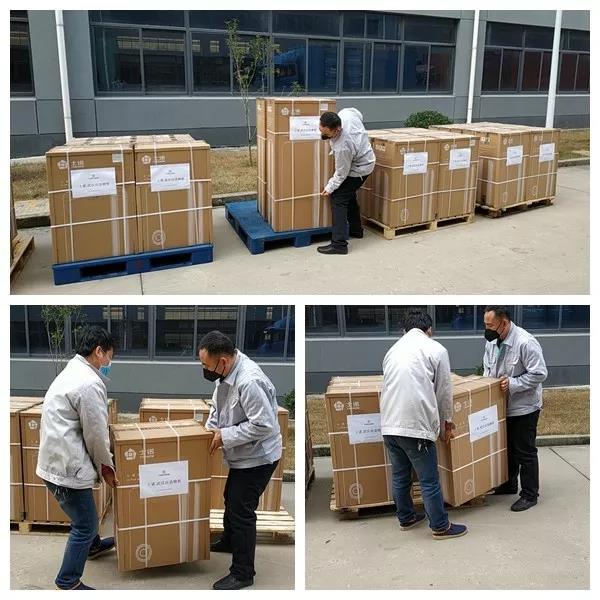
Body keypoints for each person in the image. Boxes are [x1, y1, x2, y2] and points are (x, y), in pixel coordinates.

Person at [37, 326, 119, 590]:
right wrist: (107, 467)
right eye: (109, 357)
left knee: (85, 512)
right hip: (66, 466)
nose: (110, 364)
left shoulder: (72, 371)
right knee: (85, 524)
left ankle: (92, 547)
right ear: (99, 352)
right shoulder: (89, 383)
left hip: (57, 458)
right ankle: (68, 581)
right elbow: (96, 434)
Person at [199, 330, 282, 590]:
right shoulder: (225, 374)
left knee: (241, 510)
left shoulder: (249, 381)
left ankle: (243, 573)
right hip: (244, 454)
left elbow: (264, 425)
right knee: (230, 497)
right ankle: (229, 540)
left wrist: (224, 436)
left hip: (259, 457)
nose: (204, 370)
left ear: (223, 361)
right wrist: (209, 430)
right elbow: (218, 407)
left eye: (206, 365)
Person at [380, 310, 467, 540]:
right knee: (429, 480)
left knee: (400, 475)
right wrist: (446, 424)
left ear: (404, 330)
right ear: (429, 330)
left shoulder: (392, 351)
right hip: (415, 425)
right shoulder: (436, 349)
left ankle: (406, 517)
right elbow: (444, 391)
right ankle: (440, 526)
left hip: (389, 425)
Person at [483, 306, 548, 512]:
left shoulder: (525, 342)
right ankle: (509, 484)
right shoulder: (492, 341)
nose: (487, 329)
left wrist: (513, 384)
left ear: (504, 323)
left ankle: (529, 494)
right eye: (485, 325)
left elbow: (539, 373)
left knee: (524, 451)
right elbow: (488, 368)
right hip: (503, 406)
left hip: (524, 407)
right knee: (508, 448)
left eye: (490, 325)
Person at [317, 108, 376, 255]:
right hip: (365, 158)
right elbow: (358, 113)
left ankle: (339, 244)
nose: (323, 136)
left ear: (337, 130)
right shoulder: (346, 114)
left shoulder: (343, 146)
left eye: (327, 134)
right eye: (321, 130)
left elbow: (341, 173)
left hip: (360, 169)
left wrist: (329, 188)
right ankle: (356, 230)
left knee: (338, 198)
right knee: (348, 195)